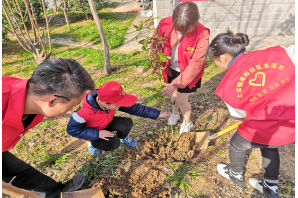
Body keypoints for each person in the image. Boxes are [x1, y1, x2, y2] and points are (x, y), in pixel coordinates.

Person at [206, 30, 295, 198]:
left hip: (265, 126)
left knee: (237, 144)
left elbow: (240, 116)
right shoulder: (276, 52)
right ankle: (270, 186)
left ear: (223, 58)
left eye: (215, 61)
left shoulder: (226, 86)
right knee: (270, 145)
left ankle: (235, 174)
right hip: (290, 122)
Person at [2, 58, 96, 198]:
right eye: (74, 105)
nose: (73, 110)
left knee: (16, 168)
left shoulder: (32, 94)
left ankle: (56, 192)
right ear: (53, 101)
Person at [150, 1, 210, 134]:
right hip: (171, 68)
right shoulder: (165, 23)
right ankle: (175, 113)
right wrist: (155, 60)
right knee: (174, 95)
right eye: (177, 28)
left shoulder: (202, 33)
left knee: (182, 99)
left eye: (183, 29)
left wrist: (177, 83)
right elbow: (156, 44)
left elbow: (196, 64)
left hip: (188, 72)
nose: (179, 31)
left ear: (194, 22)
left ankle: (187, 122)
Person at [66, 82, 170, 155]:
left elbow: (135, 108)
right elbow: (72, 130)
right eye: (118, 104)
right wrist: (97, 134)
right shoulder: (83, 112)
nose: (120, 106)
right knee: (113, 143)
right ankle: (90, 142)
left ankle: (123, 138)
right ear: (105, 103)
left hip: (106, 123)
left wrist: (157, 114)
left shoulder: (110, 98)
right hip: (93, 131)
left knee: (127, 123)